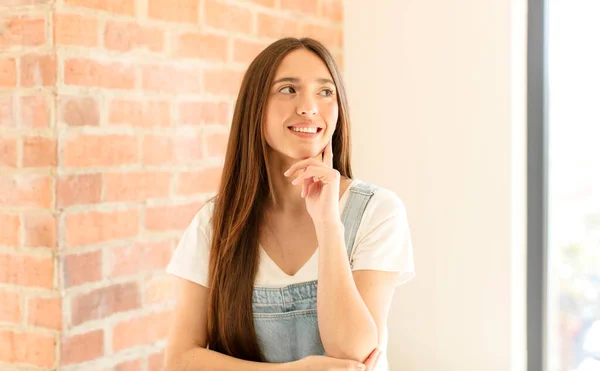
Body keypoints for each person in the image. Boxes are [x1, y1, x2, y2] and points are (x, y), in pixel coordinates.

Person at [163, 37, 415, 371]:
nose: (309, 107)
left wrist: (328, 224)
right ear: (255, 107)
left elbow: (354, 352)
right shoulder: (215, 223)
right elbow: (179, 360)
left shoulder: (378, 211)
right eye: (288, 89)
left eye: (325, 92)